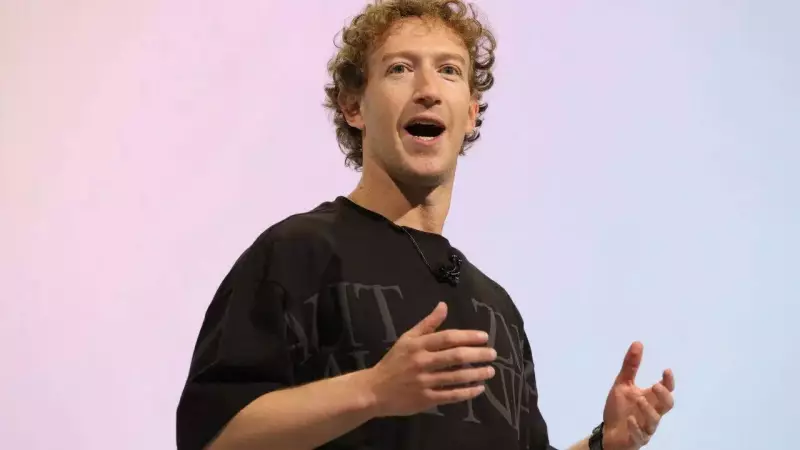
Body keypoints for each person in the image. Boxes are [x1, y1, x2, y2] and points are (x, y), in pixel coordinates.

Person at [175, 1, 676, 449]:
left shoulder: (497, 309)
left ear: (471, 114)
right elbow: (211, 438)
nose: (428, 91)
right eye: (400, 68)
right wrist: (373, 390)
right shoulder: (297, 253)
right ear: (353, 107)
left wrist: (604, 445)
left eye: (449, 71)